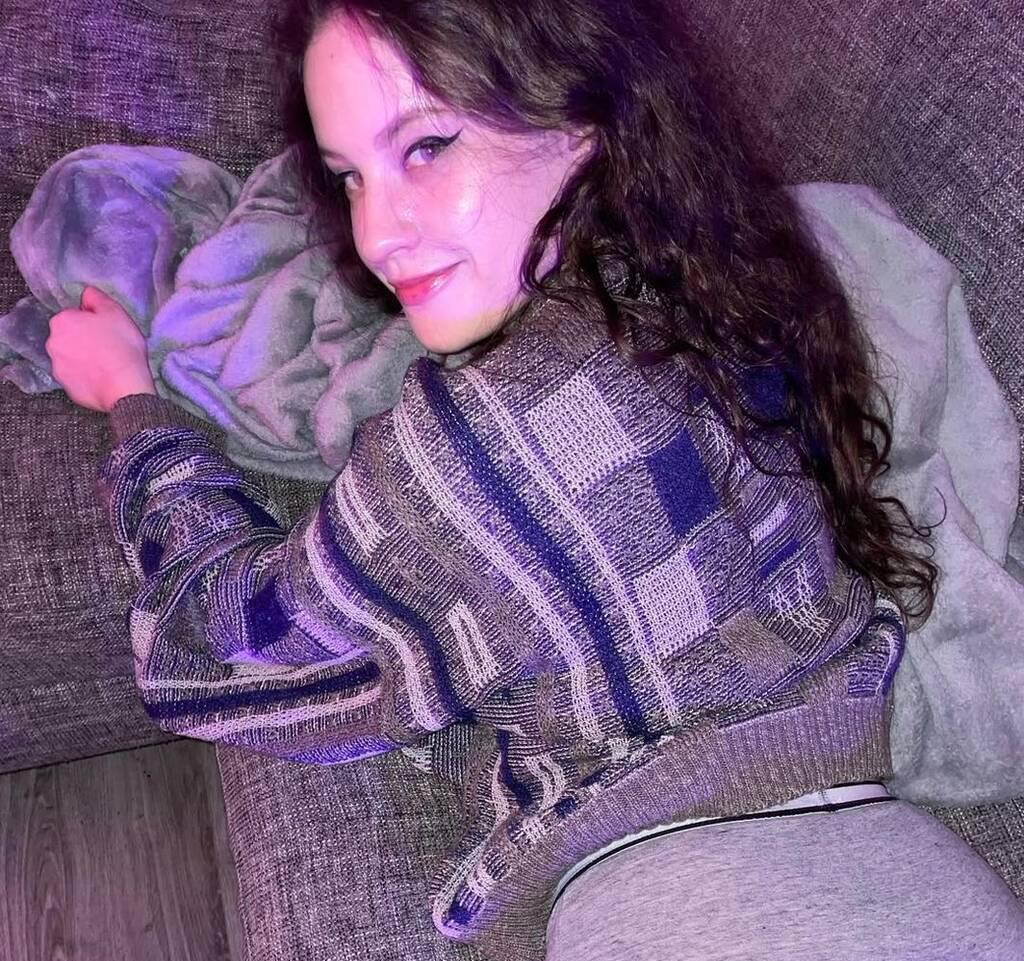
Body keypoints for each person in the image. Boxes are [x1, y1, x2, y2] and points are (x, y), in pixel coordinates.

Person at [43, 1, 1024, 959]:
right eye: (349, 178)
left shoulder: (481, 449)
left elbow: (224, 651)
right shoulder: (711, 263)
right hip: (910, 866)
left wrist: (131, 394)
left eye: (426, 147)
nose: (377, 232)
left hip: (694, 901)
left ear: (576, 112)